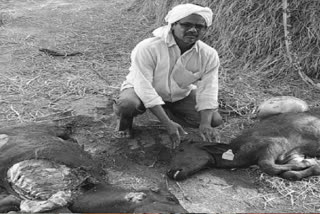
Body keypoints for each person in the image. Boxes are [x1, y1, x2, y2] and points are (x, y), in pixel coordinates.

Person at [113, 3, 223, 148]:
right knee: (128, 105)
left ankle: (162, 111)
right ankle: (125, 123)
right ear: (173, 25)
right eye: (186, 25)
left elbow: (209, 89)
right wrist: (167, 124)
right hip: (140, 92)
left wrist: (205, 124)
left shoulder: (208, 54)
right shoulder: (148, 47)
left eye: (199, 27)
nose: (193, 30)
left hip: (178, 95)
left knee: (214, 120)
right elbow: (144, 87)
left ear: (205, 29)